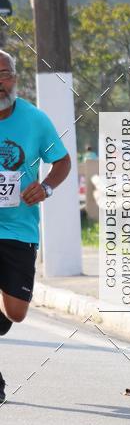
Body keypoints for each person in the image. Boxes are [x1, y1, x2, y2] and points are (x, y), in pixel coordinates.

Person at [0, 50, 71, 405]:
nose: (1, 82)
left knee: (16, 312)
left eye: (5, 74)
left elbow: (62, 161)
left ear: (15, 77)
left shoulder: (34, 119)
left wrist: (45, 187)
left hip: (19, 229)